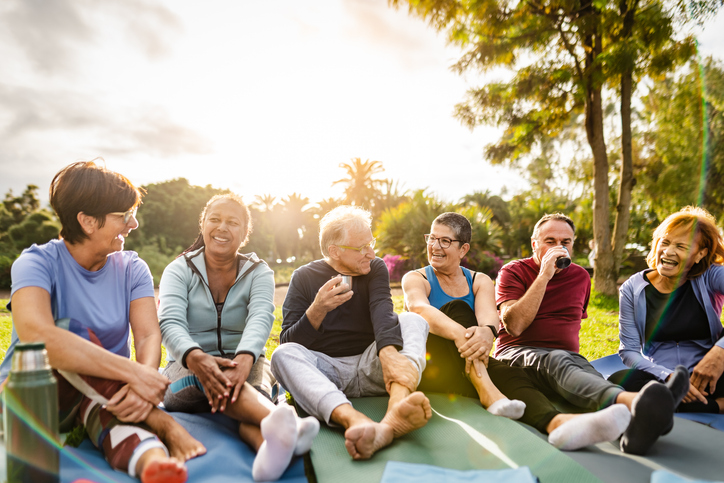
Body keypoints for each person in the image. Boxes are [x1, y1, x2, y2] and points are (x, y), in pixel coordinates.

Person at [0, 161, 204, 483]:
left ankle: (152, 465)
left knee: (121, 415)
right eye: (124, 215)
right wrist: (134, 374)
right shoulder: (35, 263)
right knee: (67, 330)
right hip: (32, 395)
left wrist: (142, 384)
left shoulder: (133, 268)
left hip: (98, 397)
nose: (133, 223)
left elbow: (149, 336)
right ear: (87, 222)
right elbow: (36, 335)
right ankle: (166, 425)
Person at [403, 212, 633, 451]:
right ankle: (485, 389)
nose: (434, 246)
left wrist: (487, 332)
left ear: (463, 249)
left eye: (445, 241)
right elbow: (420, 309)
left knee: (513, 375)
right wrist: (471, 335)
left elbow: (490, 320)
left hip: (464, 368)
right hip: (430, 368)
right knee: (458, 309)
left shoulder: (479, 280)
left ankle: (557, 423)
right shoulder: (417, 278)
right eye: (432, 238)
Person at [495, 213, 690, 455]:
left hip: (566, 359)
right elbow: (514, 325)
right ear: (534, 244)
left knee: (588, 375)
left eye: (565, 242)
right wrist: (544, 275)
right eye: (550, 241)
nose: (559, 247)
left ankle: (635, 433)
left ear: (573, 245)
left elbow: (570, 325)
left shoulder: (580, 277)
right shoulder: (513, 271)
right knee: (559, 361)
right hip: (516, 355)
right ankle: (635, 403)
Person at [158, 193, 319, 482]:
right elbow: (170, 321)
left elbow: (261, 316)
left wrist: (246, 358)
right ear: (202, 224)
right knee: (238, 393)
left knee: (250, 396)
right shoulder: (179, 269)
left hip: (245, 361)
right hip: (186, 368)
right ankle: (288, 424)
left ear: (244, 233)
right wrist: (196, 358)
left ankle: (267, 454)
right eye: (215, 219)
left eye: (232, 222)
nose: (222, 227)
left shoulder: (258, 272)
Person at [271, 206, 431, 461]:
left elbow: (382, 309)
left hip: (373, 366)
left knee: (412, 319)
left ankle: (395, 410)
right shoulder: (303, 277)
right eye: (362, 247)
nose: (372, 252)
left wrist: (387, 354)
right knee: (282, 354)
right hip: (328, 373)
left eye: (372, 243)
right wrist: (318, 309)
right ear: (334, 250)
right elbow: (289, 341)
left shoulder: (375, 267)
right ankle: (353, 420)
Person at [610, 206, 724, 414]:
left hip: (711, 374)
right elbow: (629, 351)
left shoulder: (710, 276)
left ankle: (665, 406)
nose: (669, 251)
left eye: (681, 246)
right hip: (662, 377)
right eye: (665, 242)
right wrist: (668, 377)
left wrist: (720, 353)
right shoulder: (632, 288)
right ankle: (715, 406)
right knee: (620, 381)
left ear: (700, 254)